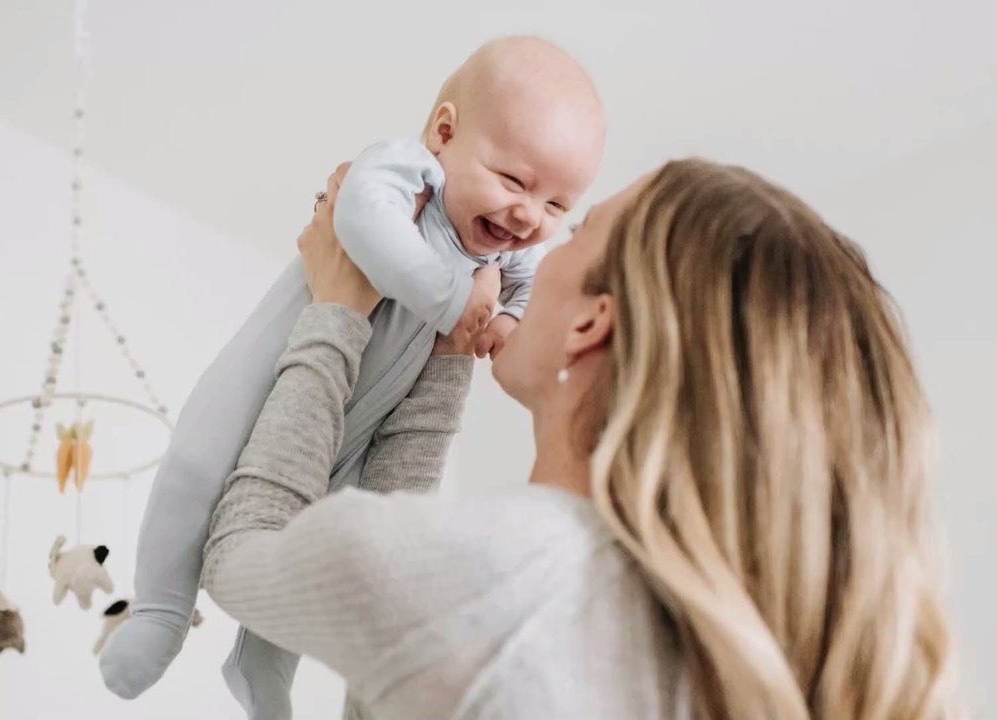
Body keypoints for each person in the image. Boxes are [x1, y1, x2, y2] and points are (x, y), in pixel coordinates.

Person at [200, 158, 962, 719]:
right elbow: (407, 605)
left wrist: (335, 311)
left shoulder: (490, 577)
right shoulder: (718, 643)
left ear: (592, 321)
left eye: (577, 229)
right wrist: (446, 355)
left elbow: (242, 554)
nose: (536, 240)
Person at [100, 36, 606, 718]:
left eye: (556, 208)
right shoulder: (408, 174)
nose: (528, 217)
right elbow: (360, 220)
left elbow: (522, 287)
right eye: (514, 182)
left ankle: (262, 663)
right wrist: (453, 302)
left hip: (358, 423)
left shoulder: (507, 251)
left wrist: (505, 320)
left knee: (319, 532)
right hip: (274, 371)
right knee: (197, 463)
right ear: (444, 133)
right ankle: (160, 611)